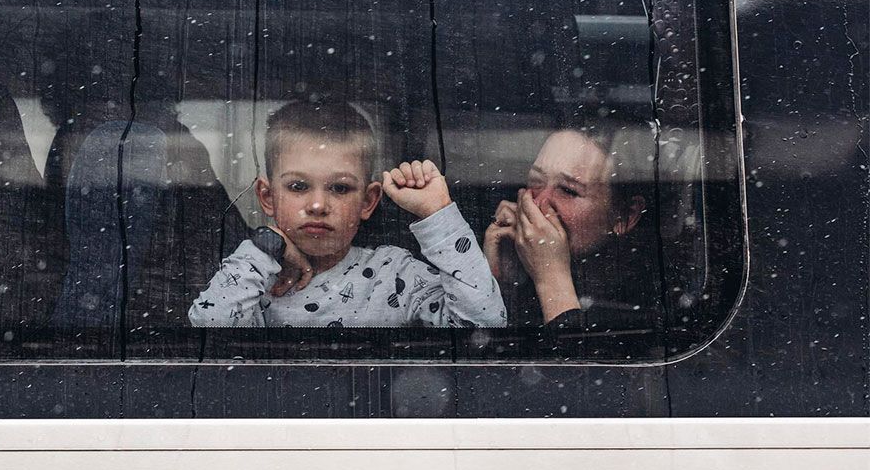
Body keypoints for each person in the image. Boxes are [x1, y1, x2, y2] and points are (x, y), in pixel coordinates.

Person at [188, 101, 506, 328]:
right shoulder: (253, 275)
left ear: (368, 201)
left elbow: (482, 325)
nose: (317, 205)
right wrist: (268, 246)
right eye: (298, 186)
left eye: (340, 188)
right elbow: (208, 327)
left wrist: (437, 214)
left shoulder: (394, 273)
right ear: (268, 197)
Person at [483, 124, 662, 331]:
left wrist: (551, 280)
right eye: (536, 181)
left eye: (568, 190)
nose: (540, 202)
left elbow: (578, 359)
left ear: (624, 217)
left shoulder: (649, 304)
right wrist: (497, 283)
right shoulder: (522, 277)